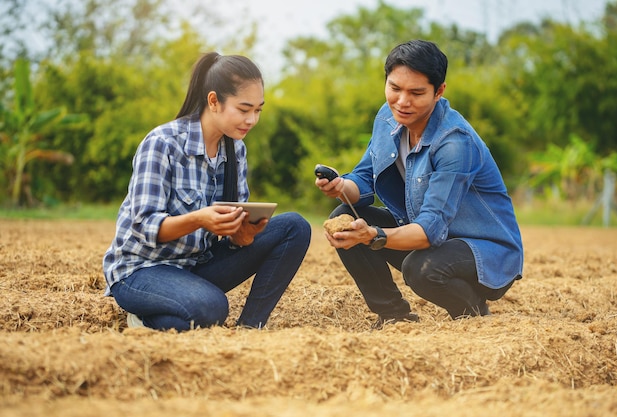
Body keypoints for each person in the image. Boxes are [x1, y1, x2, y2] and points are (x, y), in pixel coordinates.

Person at [315, 40, 523, 329]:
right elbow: (363, 179)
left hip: (483, 253)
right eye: (394, 88)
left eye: (416, 93)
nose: (402, 101)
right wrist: (340, 186)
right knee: (345, 217)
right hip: (428, 237)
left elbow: (430, 230)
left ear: (439, 92)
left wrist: (374, 234)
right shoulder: (388, 118)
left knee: (421, 269)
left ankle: (474, 315)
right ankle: (393, 315)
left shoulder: (454, 142)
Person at [103, 52, 311, 331]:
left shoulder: (236, 149)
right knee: (212, 307)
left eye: (258, 110)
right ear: (214, 101)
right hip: (142, 270)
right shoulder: (162, 143)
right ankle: (146, 314)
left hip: (197, 266)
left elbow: (231, 233)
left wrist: (244, 235)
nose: (252, 119)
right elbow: (145, 226)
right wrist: (199, 218)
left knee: (295, 227)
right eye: (244, 109)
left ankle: (251, 327)